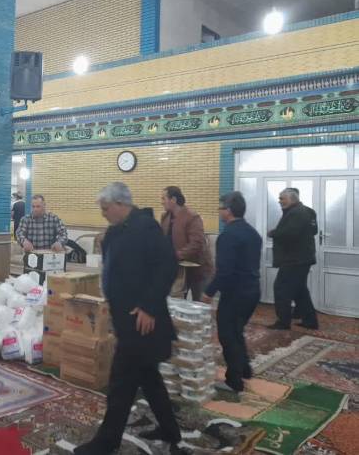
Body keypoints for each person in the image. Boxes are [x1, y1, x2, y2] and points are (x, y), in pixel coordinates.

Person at [75, 183, 186, 455]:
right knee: (149, 378)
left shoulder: (145, 227)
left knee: (121, 384)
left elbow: (168, 266)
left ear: (121, 204)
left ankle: (107, 442)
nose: (103, 214)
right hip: (126, 318)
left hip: (142, 320)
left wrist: (149, 307)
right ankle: (170, 430)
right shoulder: (118, 229)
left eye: (105, 209)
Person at [202, 192, 262, 393]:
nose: (219, 212)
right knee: (236, 331)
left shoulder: (228, 236)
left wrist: (208, 292)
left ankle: (234, 381)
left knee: (228, 335)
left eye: (220, 208)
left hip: (236, 293)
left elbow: (224, 272)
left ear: (228, 210)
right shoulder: (253, 233)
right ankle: (244, 369)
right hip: (252, 291)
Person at [267, 187, 319, 330]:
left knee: (281, 288)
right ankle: (310, 321)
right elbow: (313, 231)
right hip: (304, 258)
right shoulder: (308, 211)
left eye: (282, 198)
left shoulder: (296, 213)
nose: (279, 201)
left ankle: (283, 322)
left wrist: (273, 233)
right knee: (299, 290)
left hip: (294, 259)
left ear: (291, 199)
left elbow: (290, 234)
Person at [160, 186, 213, 301]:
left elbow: (196, 243)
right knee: (176, 304)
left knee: (199, 304)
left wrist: (177, 255)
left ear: (173, 200)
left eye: (164, 198)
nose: (161, 202)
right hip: (178, 271)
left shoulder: (192, 217)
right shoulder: (165, 218)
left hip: (198, 271)